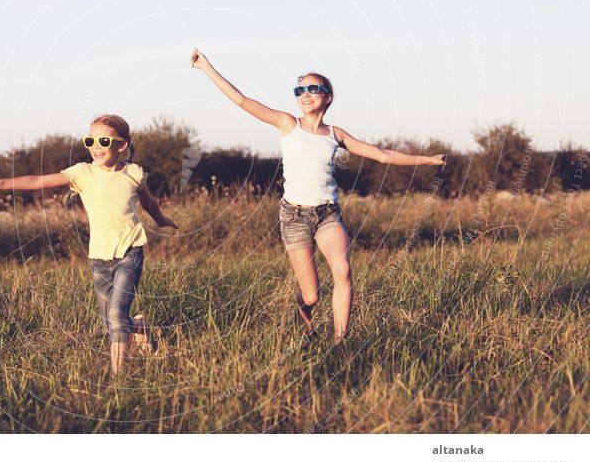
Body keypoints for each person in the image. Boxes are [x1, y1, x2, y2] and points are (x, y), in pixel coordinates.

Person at [191, 49, 445, 346]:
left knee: (344, 271)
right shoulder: (288, 123)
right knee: (311, 294)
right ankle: (305, 326)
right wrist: (207, 68)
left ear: (328, 97)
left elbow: (381, 155)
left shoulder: (335, 134)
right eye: (300, 90)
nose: (305, 94)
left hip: (327, 213)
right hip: (294, 216)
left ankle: (341, 343)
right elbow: (242, 100)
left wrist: (427, 161)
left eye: (313, 88)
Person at [0, 114, 178, 376]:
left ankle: (118, 380)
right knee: (111, 323)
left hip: (130, 252)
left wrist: (162, 219)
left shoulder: (133, 173)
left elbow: (149, 203)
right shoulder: (83, 172)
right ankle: (140, 328)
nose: (96, 147)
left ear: (122, 145)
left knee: (115, 316)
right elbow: (38, 181)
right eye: (90, 140)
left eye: (103, 140)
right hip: (99, 259)